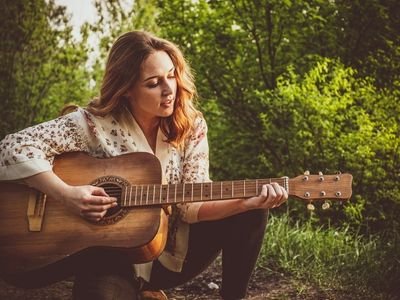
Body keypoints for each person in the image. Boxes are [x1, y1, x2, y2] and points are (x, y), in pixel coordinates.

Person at [0, 31, 288, 300]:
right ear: (126, 89)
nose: (168, 90)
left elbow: (190, 205)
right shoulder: (92, 124)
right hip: (112, 257)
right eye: (153, 83)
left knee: (252, 213)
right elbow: (11, 148)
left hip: (171, 253)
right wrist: (66, 194)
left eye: (171, 76)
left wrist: (243, 204)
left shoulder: (191, 125)